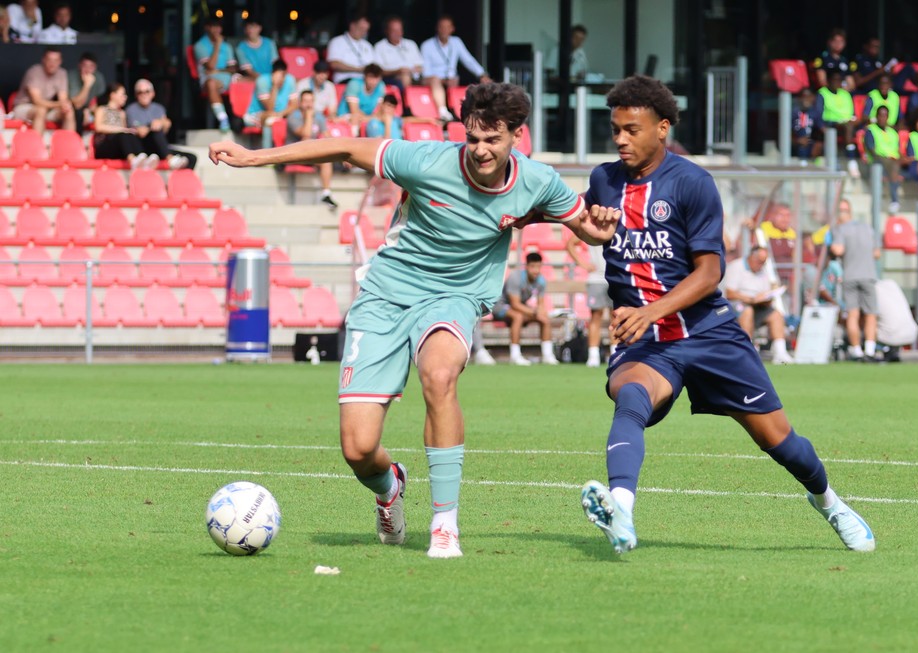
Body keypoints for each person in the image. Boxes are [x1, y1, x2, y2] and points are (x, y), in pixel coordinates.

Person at [209, 82, 620, 559]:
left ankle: (445, 526)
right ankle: (390, 487)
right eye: (473, 138)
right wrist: (253, 157)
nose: (481, 149)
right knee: (358, 449)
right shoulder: (425, 160)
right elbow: (344, 145)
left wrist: (602, 229)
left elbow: (586, 229)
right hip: (386, 295)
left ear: (516, 137)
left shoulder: (538, 181)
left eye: (494, 139)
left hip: (455, 297)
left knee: (439, 375)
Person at [578, 74, 875, 556]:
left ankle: (831, 503)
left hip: (709, 332)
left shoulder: (692, 182)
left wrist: (651, 308)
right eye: (616, 129)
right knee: (631, 397)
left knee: (779, 441)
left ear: (662, 128)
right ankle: (621, 511)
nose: (620, 139)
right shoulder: (604, 180)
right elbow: (595, 233)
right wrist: (592, 232)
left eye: (632, 129)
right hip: (646, 341)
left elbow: (711, 272)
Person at [723, 246, 794, 364]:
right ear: (752, 257)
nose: (761, 264)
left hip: (758, 305)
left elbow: (765, 293)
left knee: (776, 315)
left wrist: (767, 298)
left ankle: (781, 353)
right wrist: (750, 299)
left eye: (764, 262)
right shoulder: (736, 266)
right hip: (737, 305)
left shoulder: (763, 270)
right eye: (760, 261)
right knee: (747, 311)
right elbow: (730, 293)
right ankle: (747, 351)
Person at [830, 199, 880, 361]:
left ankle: (857, 350)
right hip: (868, 274)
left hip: (850, 275)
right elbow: (877, 253)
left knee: (853, 313)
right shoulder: (867, 228)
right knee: (871, 314)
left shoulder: (840, 230)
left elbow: (838, 249)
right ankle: (870, 350)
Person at [490, 251, 560, 366]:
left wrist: (542, 313)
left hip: (521, 308)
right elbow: (515, 304)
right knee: (518, 317)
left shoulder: (541, 281)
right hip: (500, 306)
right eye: (533, 266)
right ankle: (515, 355)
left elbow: (540, 304)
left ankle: (548, 355)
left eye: (538, 266)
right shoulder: (515, 278)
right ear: (527, 266)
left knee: (545, 320)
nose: (536, 270)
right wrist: (534, 312)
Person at [421, 15, 492, 122]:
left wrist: (482, 74)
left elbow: (468, 60)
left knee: (476, 84)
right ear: (437, 28)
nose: (444, 30)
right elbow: (426, 72)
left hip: (451, 80)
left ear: (452, 29)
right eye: (442, 27)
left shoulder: (456, 42)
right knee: (435, 80)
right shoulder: (427, 45)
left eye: (447, 27)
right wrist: (443, 80)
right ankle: (442, 111)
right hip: (432, 80)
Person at [126, 79, 194, 170]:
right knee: (156, 131)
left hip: (159, 147)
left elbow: (166, 128)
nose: (144, 94)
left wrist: (161, 123)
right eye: (140, 92)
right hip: (142, 148)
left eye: (147, 91)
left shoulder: (159, 108)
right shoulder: (131, 109)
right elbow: (141, 132)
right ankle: (170, 159)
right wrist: (152, 125)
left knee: (191, 158)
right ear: (136, 95)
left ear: (152, 93)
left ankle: (182, 182)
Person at [286, 89, 337, 208]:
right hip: (294, 153)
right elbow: (306, 135)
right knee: (308, 142)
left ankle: (326, 194)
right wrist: (308, 117)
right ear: (300, 103)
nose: (308, 105)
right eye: (305, 101)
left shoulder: (319, 116)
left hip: (310, 154)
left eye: (311, 101)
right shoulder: (294, 116)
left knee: (327, 160)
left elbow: (327, 136)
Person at [565, 234, 610, 367]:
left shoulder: (619, 222)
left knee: (617, 316)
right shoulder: (593, 226)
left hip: (615, 275)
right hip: (596, 277)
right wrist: (583, 264)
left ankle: (615, 353)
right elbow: (570, 243)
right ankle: (593, 355)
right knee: (596, 316)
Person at [10, 47, 75, 133]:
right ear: (43, 60)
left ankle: (70, 145)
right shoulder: (34, 72)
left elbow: (63, 98)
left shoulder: (62, 73)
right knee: (40, 110)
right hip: (24, 107)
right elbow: (37, 101)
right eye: (49, 60)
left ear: (60, 61)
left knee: (68, 111)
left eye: (56, 60)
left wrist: (64, 106)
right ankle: (37, 145)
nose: (52, 64)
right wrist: (59, 104)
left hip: (47, 108)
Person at [93, 83, 155, 169]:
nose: (125, 97)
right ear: (113, 95)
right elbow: (98, 127)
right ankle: (132, 159)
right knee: (123, 134)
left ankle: (141, 158)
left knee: (130, 135)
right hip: (104, 147)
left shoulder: (122, 113)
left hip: (117, 148)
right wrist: (121, 129)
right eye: (122, 94)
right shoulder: (101, 109)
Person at [193, 16, 237, 132]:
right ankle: (223, 119)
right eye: (213, 26)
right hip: (208, 79)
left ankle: (247, 120)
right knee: (211, 84)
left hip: (227, 78)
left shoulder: (227, 46)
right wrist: (217, 45)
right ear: (207, 28)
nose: (216, 30)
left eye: (218, 27)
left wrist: (219, 71)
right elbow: (210, 66)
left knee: (248, 82)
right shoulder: (200, 45)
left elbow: (233, 69)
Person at [814, 70, 860, 178]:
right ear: (828, 81)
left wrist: (852, 120)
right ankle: (851, 161)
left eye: (839, 80)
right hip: (830, 123)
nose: (837, 82)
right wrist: (822, 127)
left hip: (846, 123)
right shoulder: (823, 93)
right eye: (834, 80)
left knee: (851, 126)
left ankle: (852, 159)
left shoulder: (846, 94)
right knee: (848, 127)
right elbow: (818, 113)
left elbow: (852, 113)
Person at [244, 59, 298, 149]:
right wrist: (275, 86)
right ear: (273, 74)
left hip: (279, 115)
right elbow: (270, 108)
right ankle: (267, 153)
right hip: (255, 115)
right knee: (270, 118)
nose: (282, 79)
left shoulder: (290, 79)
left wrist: (281, 114)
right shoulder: (262, 81)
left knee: (296, 116)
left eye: (283, 75)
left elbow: (295, 105)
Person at [864, 105, 904, 214]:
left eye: (885, 115)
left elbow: (898, 150)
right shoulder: (870, 130)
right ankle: (894, 200)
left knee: (898, 164)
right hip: (877, 162)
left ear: (888, 117)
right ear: (876, 116)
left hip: (893, 161)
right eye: (880, 115)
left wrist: (904, 159)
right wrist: (886, 159)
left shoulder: (893, 133)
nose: (882, 118)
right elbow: (871, 149)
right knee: (893, 165)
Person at [374, 15, 424, 97]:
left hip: (414, 77)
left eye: (399, 30)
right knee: (405, 76)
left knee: (434, 79)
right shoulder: (379, 46)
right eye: (394, 30)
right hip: (391, 78)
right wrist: (398, 71)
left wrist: (412, 69)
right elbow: (378, 71)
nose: (397, 33)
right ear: (387, 31)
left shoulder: (411, 44)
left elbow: (421, 66)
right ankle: (408, 105)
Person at [337, 63, 386, 134]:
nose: (373, 81)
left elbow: (379, 111)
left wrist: (371, 118)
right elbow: (354, 111)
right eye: (371, 77)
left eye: (376, 78)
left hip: (367, 117)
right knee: (355, 119)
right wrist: (370, 118)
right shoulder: (354, 84)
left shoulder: (381, 86)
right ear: (365, 76)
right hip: (347, 115)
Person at [326, 14, 376, 85]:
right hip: (345, 79)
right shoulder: (337, 41)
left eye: (366, 30)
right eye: (361, 29)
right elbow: (334, 64)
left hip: (366, 80)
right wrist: (358, 69)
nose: (363, 33)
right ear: (352, 26)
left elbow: (373, 66)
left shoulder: (368, 45)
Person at [67, 52, 105, 134]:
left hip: (90, 109)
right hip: (73, 109)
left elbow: (99, 100)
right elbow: (77, 104)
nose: (87, 70)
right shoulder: (72, 76)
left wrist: (89, 110)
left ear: (95, 68)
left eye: (91, 66)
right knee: (79, 113)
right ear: (79, 65)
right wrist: (87, 85)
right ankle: (76, 143)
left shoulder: (99, 77)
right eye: (85, 66)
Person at [791, 88, 821, 163]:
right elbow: (786, 132)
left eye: (809, 96)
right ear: (799, 98)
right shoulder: (793, 113)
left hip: (811, 142)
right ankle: (803, 168)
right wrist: (797, 140)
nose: (806, 99)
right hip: (796, 142)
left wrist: (819, 143)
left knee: (818, 146)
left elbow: (821, 129)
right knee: (802, 147)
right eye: (804, 96)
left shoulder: (815, 113)